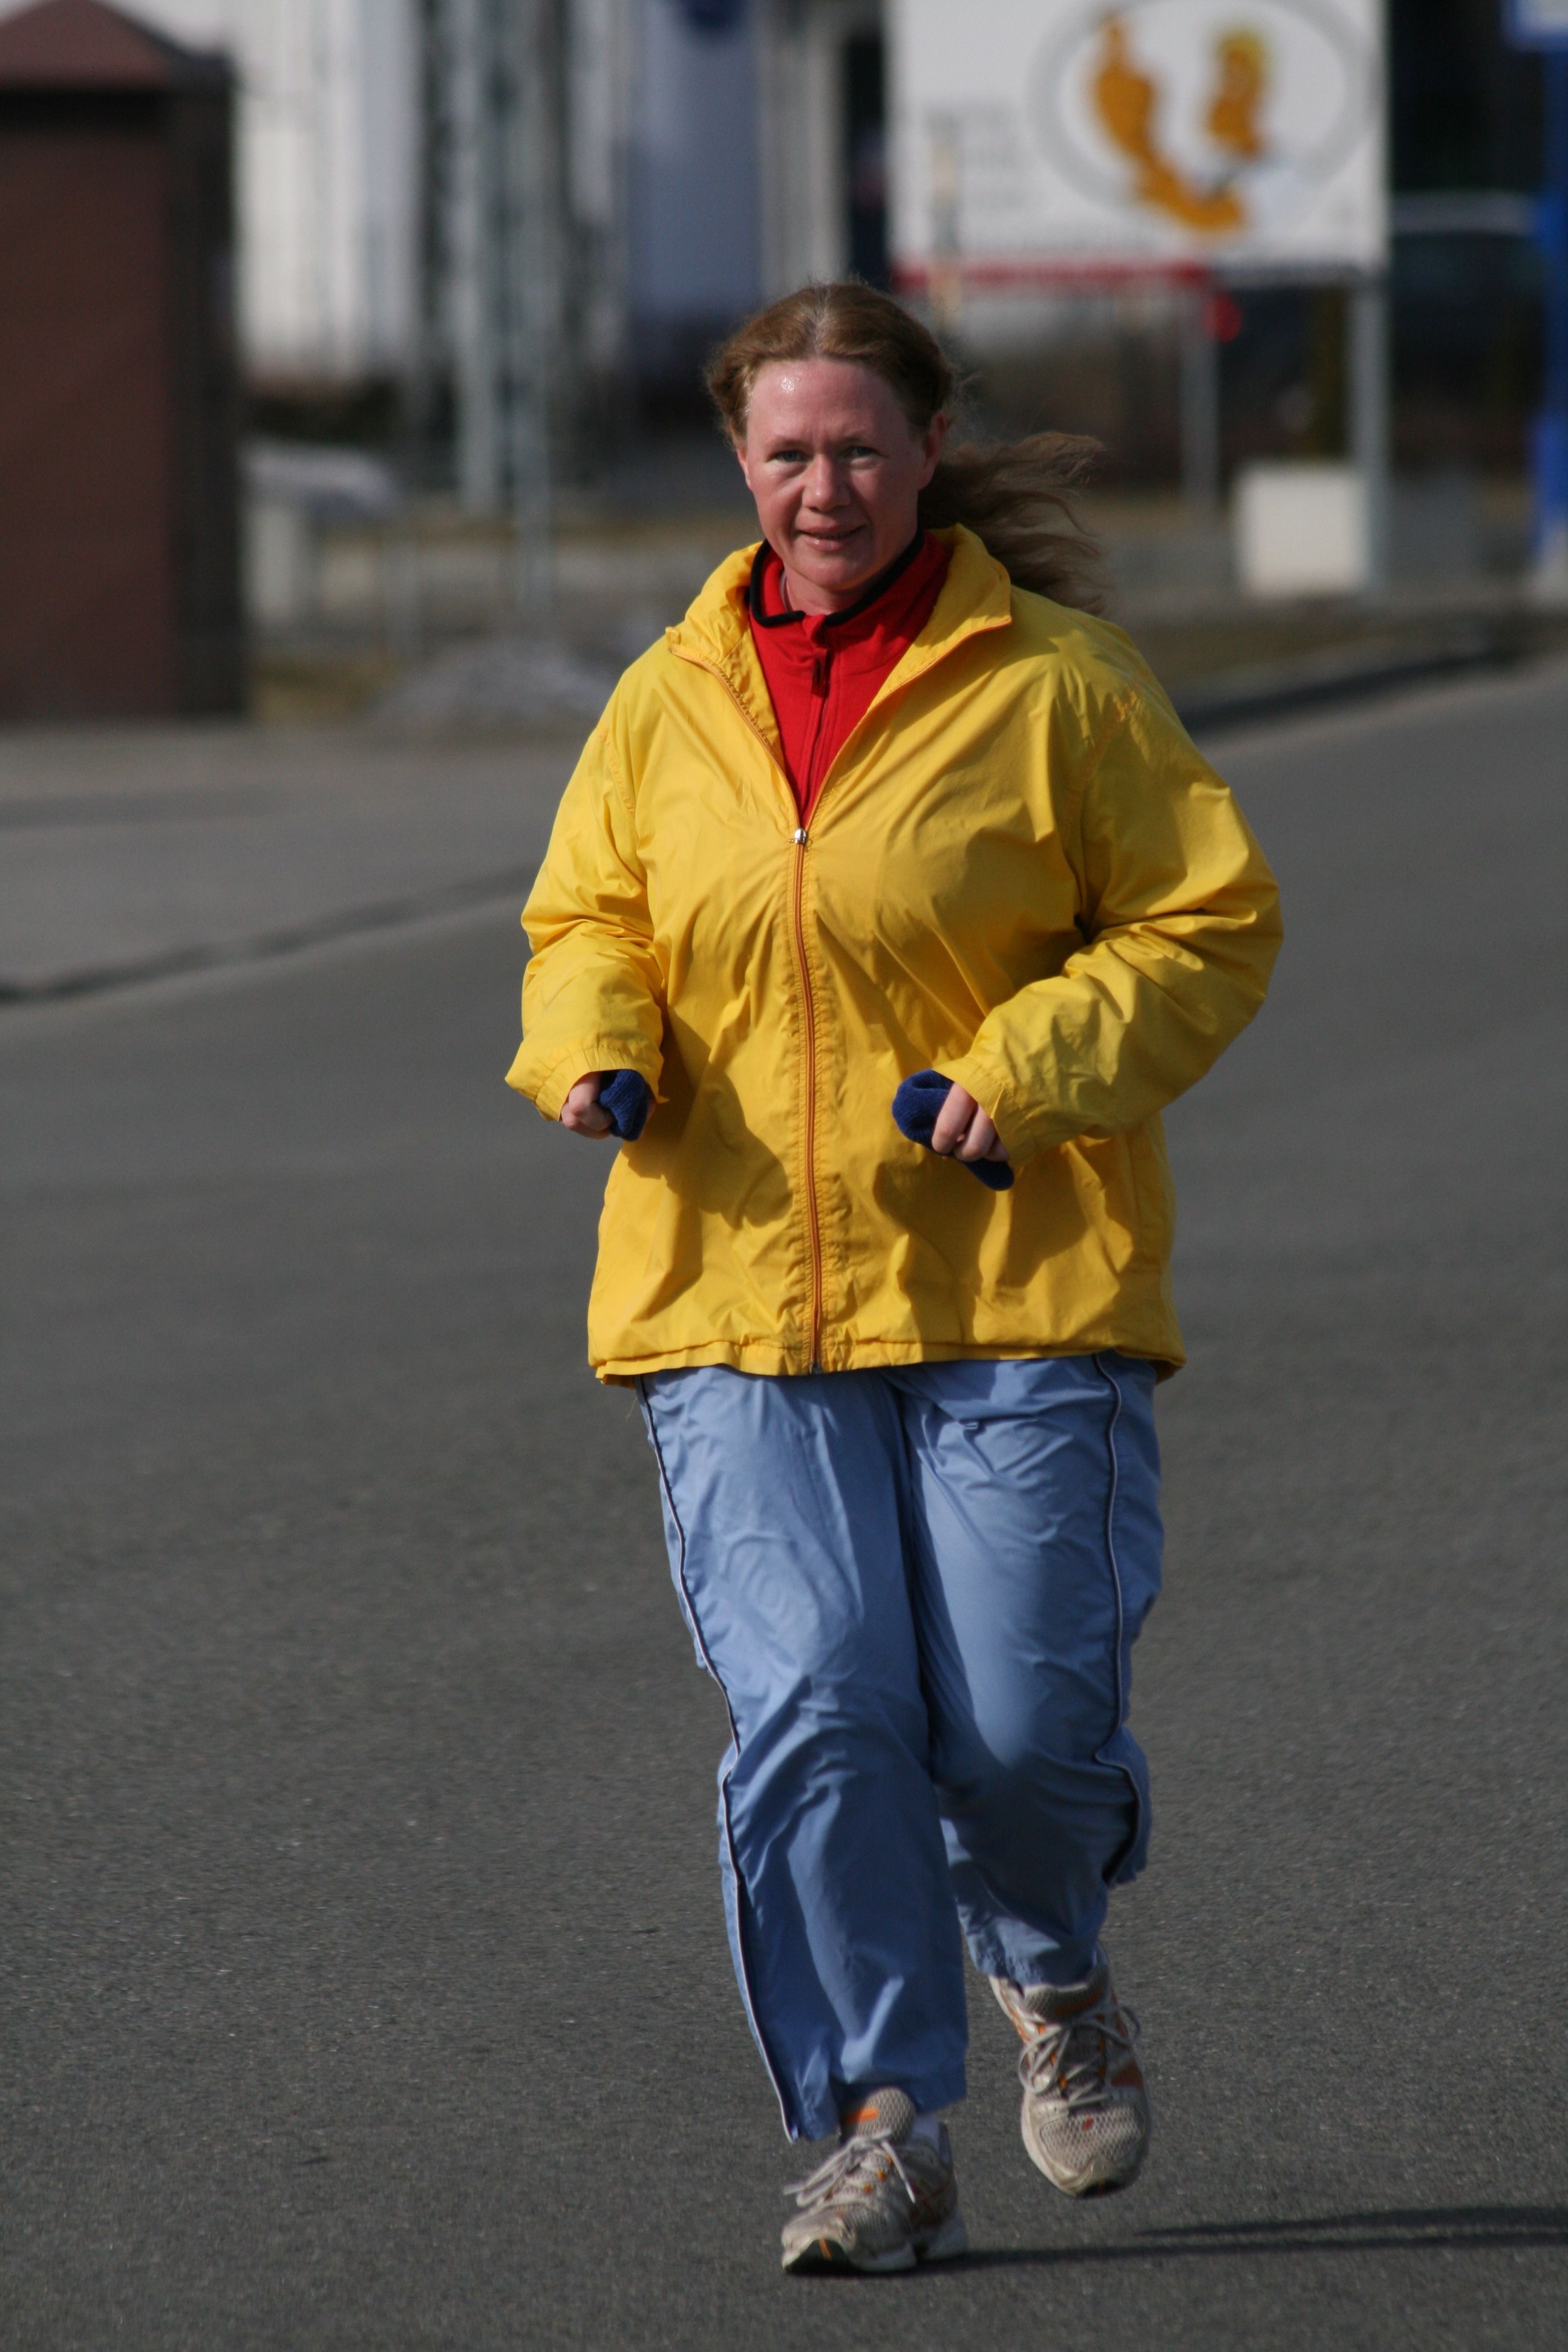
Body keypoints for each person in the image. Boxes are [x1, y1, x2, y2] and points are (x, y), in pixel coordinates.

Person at [507, 281, 1280, 2274]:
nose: (824, 486)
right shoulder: (668, 694)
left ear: (931, 448)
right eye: (788, 451)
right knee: (820, 1706)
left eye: (860, 446)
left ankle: (1051, 1963)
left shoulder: (1061, 686)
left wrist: (1028, 1069)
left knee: (1019, 1736)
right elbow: (588, 913)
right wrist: (596, 1039)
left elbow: (1204, 922)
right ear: (738, 460)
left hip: (1015, 1279)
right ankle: (881, 2126)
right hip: (731, 1287)